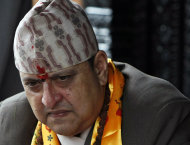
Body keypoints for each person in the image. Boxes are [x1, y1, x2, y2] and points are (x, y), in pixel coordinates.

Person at [0, 0, 190, 145]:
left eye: (63, 78)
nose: (48, 100)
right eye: (33, 84)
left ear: (99, 68)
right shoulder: (6, 125)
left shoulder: (161, 118)